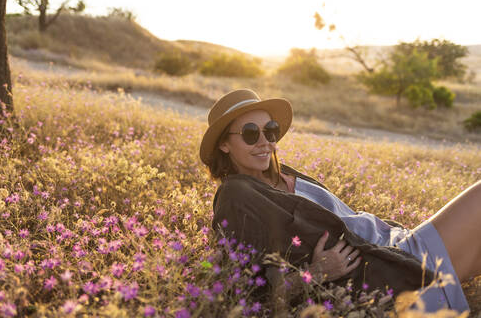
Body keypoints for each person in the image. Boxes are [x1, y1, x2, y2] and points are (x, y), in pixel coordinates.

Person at [199, 89, 480, 314]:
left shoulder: (283, 174)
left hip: (394, 241)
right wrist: (315, 273)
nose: (265, 142)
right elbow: (246, 290)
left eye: (270, 130)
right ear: (224, 144)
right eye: (250, 133)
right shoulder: (237, 196)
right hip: (387, 265)